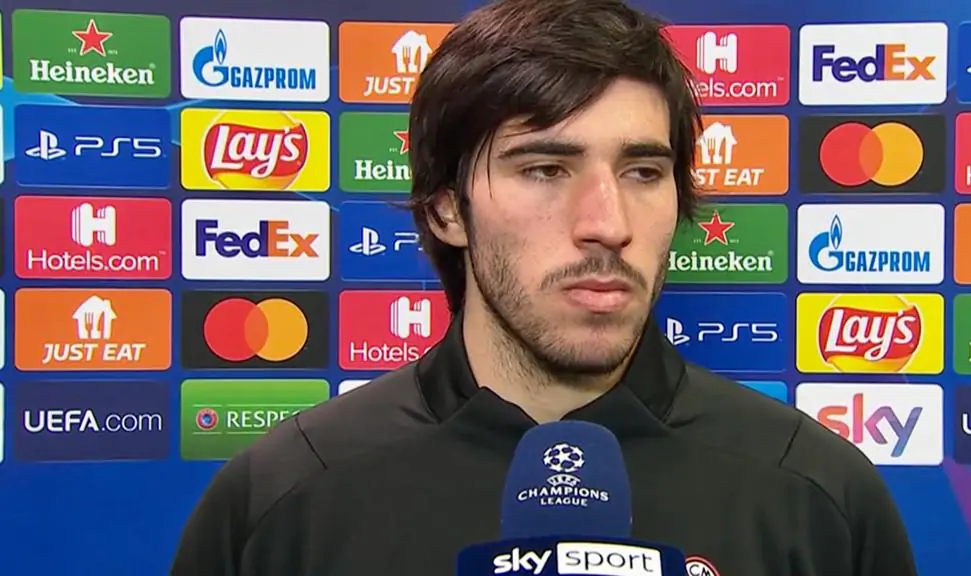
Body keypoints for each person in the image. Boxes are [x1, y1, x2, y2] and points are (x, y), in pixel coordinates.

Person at [170, 0, 919, 574]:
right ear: (447, 209)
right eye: (545, 169)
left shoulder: (818, 495)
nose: (608, 224)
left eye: (643, 171)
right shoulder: (283, 501)